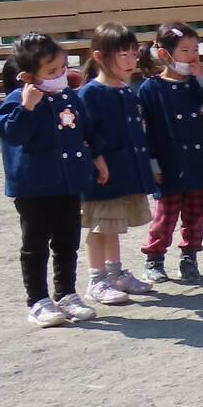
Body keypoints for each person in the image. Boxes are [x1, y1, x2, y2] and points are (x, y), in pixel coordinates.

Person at [0, 32, 101, 327]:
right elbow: (12, 134)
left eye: (63, 68)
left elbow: (85, 129)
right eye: (52, 71)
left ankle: (66, 294)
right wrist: (27, 107)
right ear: (28, 76)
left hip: (68, 183)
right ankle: (38, 301)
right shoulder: (16, 100)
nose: (60, 75)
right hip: (34, 188)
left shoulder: (68, 96)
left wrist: (97, 156)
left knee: (67, 243)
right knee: (36, 246)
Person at [138, 22, 203, 283]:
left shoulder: (198, 83)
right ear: (165, 54)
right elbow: (146, 131)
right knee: (165, 215)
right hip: (169, 163)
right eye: (185, 50)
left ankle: (189, 256)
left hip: (202, 161)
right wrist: (152, 163)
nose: (192, 56)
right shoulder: (151, 88)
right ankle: (154, 258)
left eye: (196, 49)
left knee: (196, 215)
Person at [77, 23, 159, 307]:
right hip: (102, 178)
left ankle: (115, 273)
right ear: (99, 57)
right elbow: (84, 135)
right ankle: (97, 279)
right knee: (99, 227)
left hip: (125, 173)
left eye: (134, 54)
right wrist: (98, 160)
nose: (131, 60)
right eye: (123, 54)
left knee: (113, 226)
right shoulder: (89, 94)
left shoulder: (126, 90)